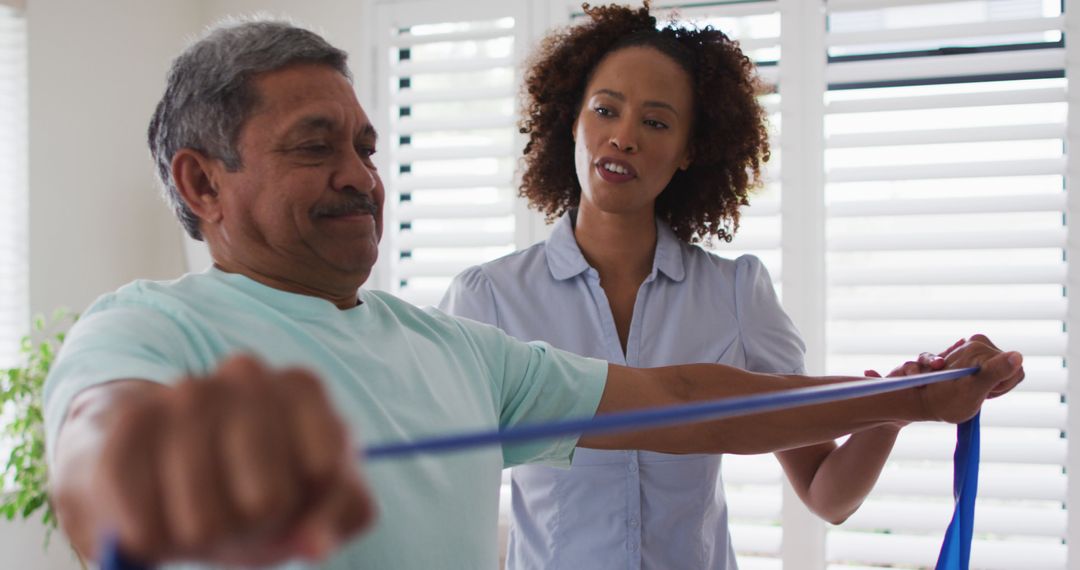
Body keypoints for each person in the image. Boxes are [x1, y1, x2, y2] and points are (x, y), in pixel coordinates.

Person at [42, 17, 1023, 570]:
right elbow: (96, 440)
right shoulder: (150, 325)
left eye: (367, 148)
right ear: (201, 184)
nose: (359, 176)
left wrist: (913, 397)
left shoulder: (455, 351)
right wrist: (138, 471)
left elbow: (690, 401)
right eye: (314, 147)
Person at [438, 4, 944, 569]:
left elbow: (828, 495)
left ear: (689, 151)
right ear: (573, 120)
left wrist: (895, 409)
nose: (623, 138)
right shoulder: (488, 299)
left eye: (655, 122)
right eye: (606, 109)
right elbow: (439, 482)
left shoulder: (736, 293)